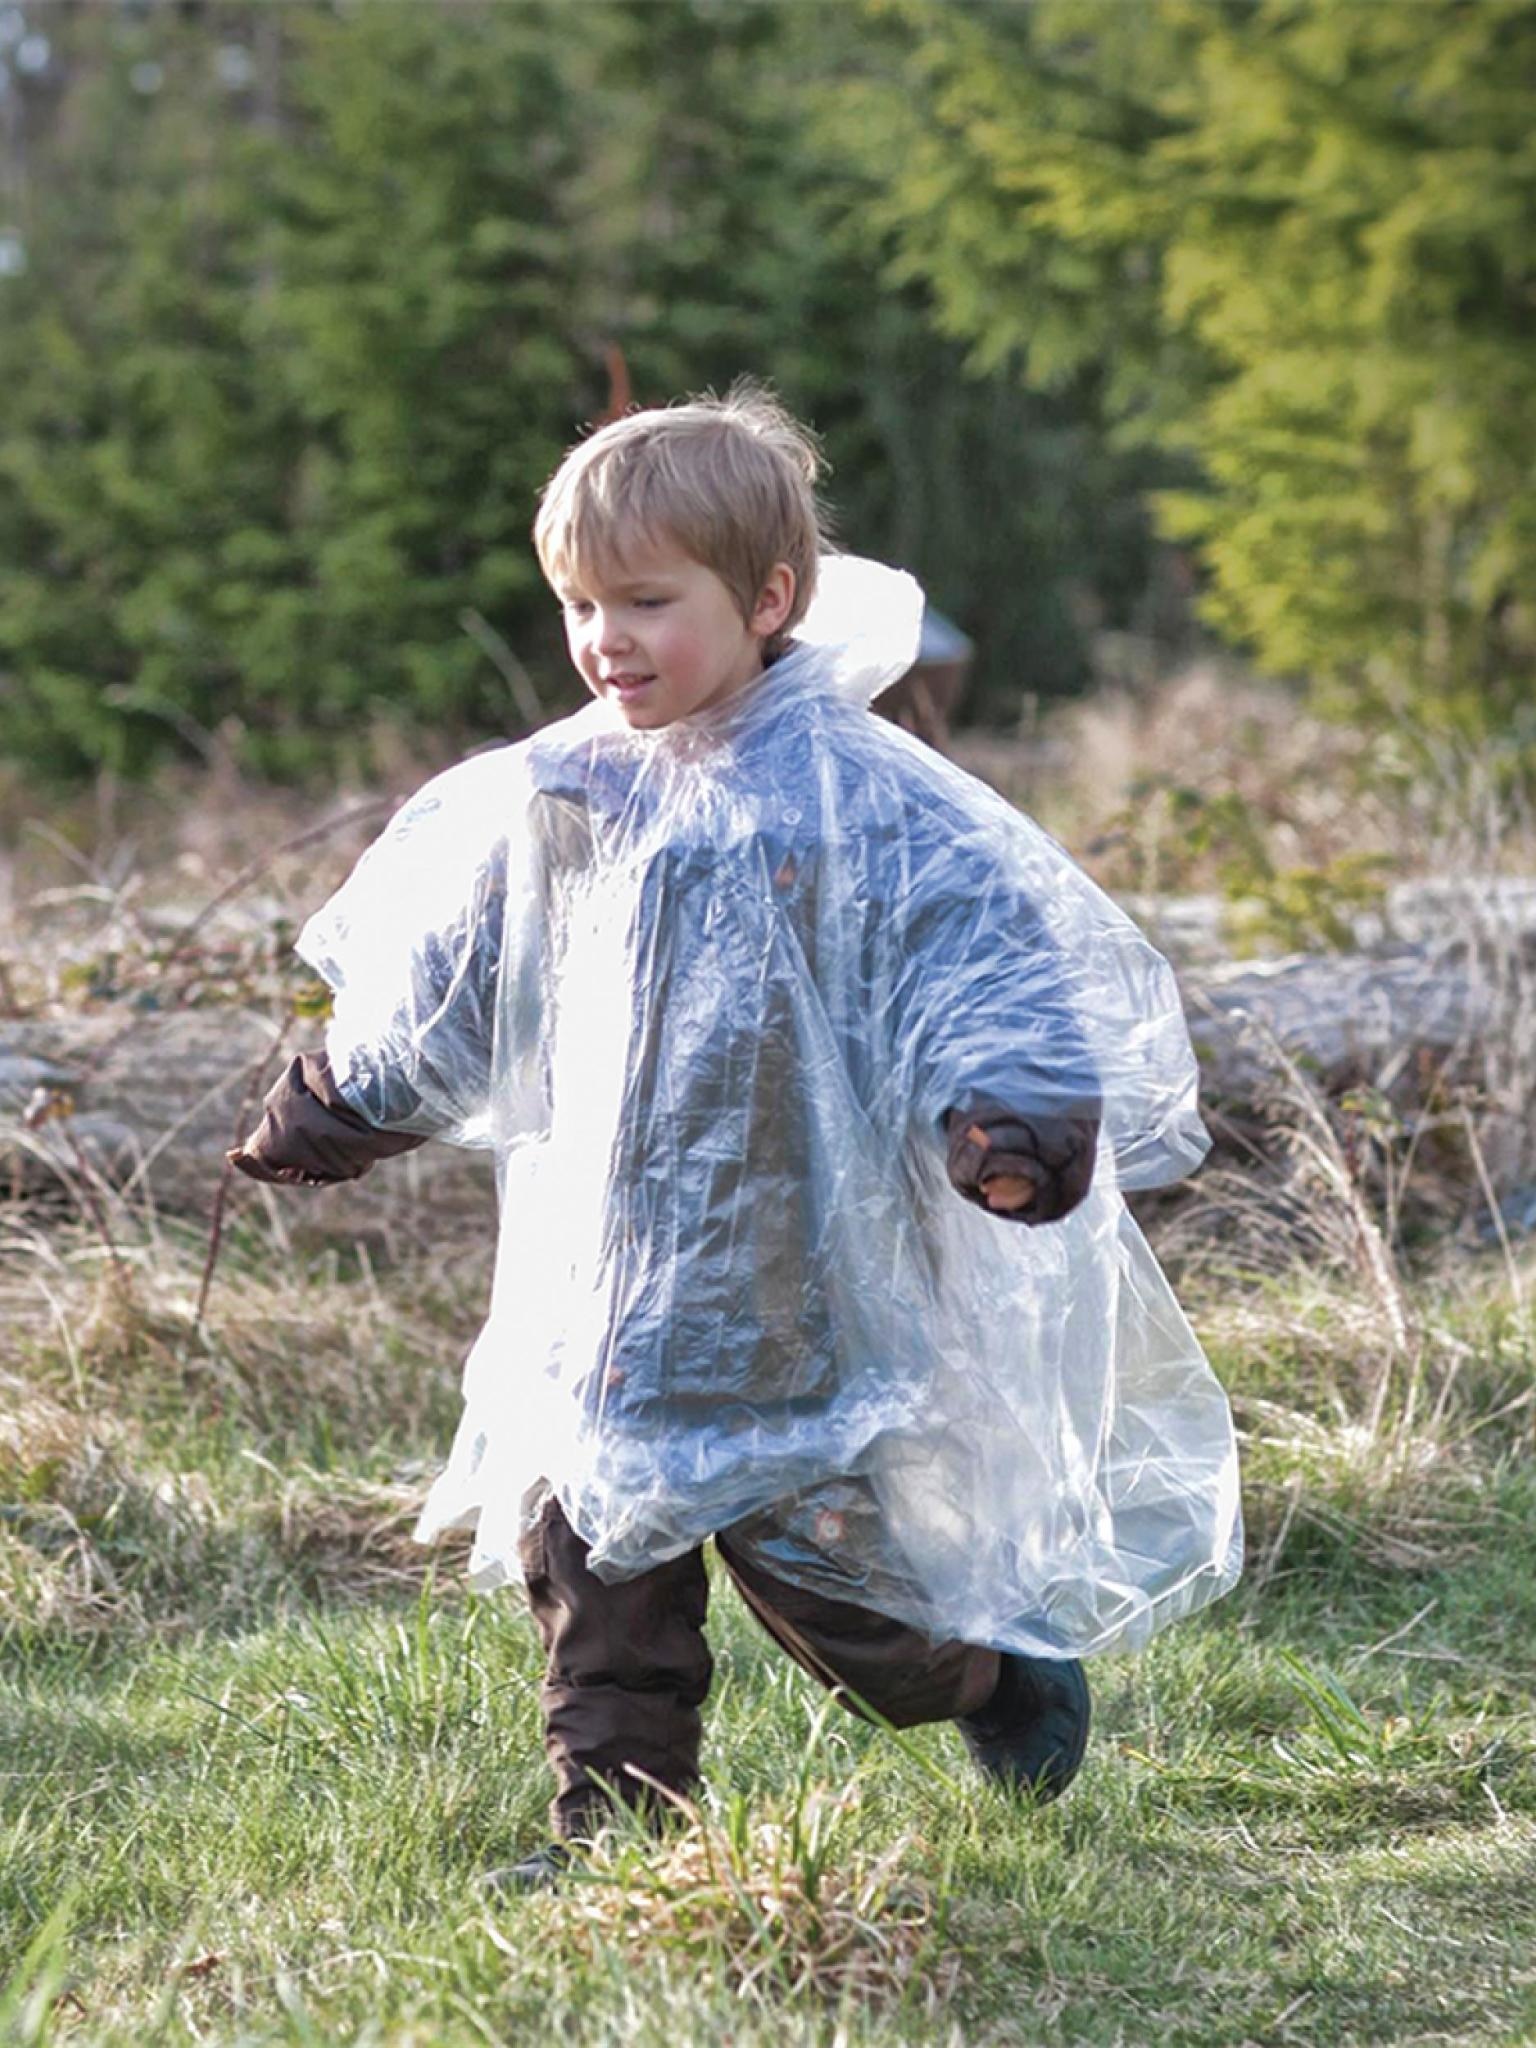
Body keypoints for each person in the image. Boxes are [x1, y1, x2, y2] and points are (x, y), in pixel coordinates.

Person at [232, 384, 1241, 1889]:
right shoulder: (564, 793)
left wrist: (1012, 1117)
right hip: (600, 1297)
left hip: (792, 1297)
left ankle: (987, 1680)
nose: (605, 640)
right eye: (579, 604)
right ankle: (620, 1830)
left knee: (850, 1618)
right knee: (592, 1578)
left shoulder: (865, 797)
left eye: (647, 600)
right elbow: (457, 988)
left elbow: (986, 960)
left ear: (769, 599)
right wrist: (345, 1101)